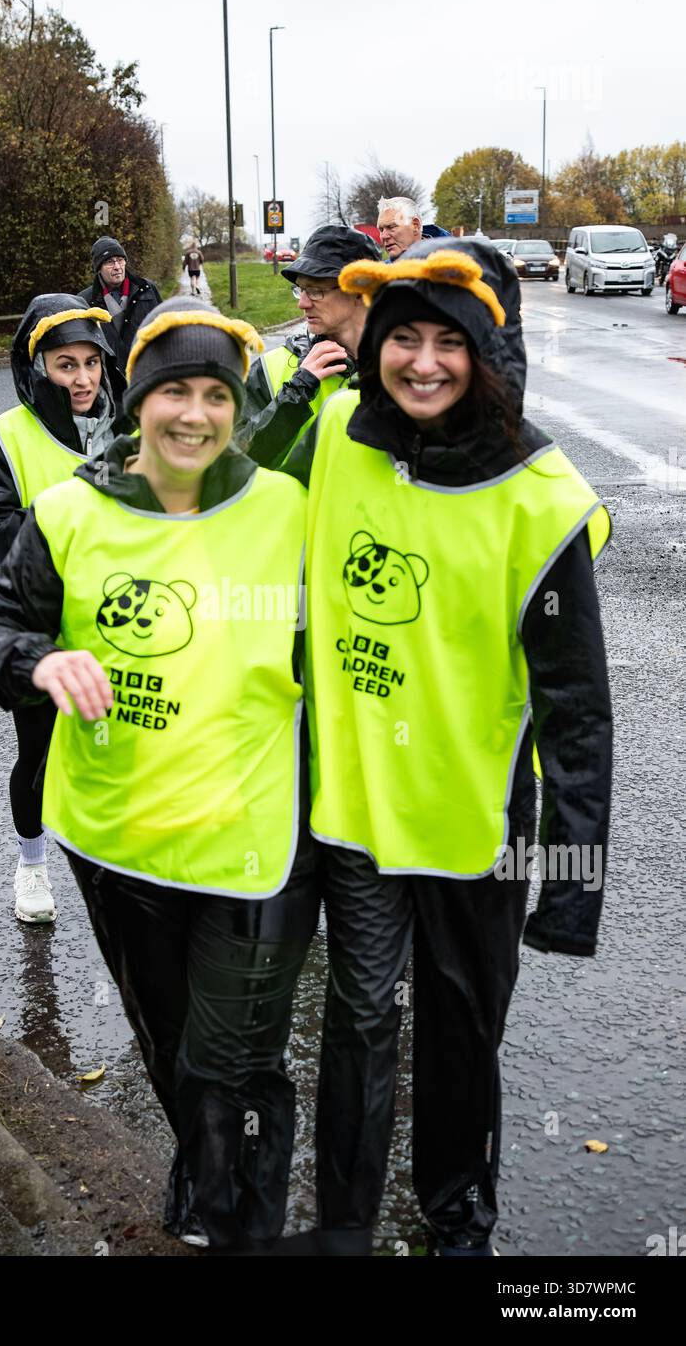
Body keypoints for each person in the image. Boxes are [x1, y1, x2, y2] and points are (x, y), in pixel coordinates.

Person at [0, 296, 320, 1253]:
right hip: (116, 843)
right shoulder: (71, 511)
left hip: (252, 840)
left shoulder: (287, 510)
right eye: (172, 392)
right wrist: (36, 661)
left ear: (238, 409)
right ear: (138, 400)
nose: (193, 414)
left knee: (238, 1060)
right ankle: (205, 1187)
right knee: (170, 1050)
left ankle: (240, 1226)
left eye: (214, 395)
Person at [283, 237, 613, 1255]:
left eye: (447, 342)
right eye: (403, 338)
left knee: (463, 1031)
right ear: (372, 341)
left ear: (486, 352)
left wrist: (569, 882)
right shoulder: (336, 435)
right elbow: (220, 493)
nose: (421, 362)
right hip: (355, 814)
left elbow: (576, 710)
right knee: (359, 1021)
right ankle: (341, 1223)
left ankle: (457, 1218)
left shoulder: (539, 497)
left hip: (476, 830)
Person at [0, 294, 132, 924]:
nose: (84, 378)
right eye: (66, 365)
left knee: (126, 744)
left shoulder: (131, 425)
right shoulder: (3, 436)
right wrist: (67, 527)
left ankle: (121, 866)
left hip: (126, 622)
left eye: (92, 362)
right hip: (42, 634)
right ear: (39, 369)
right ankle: (32, 864)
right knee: (38, 754)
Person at [236, 224, 382, 468]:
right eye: (301, 290)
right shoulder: (273, 369)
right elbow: (232, 461)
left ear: (360, 290)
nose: (302, 304)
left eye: (315, 291)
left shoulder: (405, 369)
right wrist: (294, 395)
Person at [80, 235, 162, 372]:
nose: (117, 266)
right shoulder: (85, 301)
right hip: (111, 376)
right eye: (110, 262)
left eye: (120, 260)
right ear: (99, 268)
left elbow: (163, 327)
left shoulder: (147, 288)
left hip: (148, 369)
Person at [376, 195, 450, 260]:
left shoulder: (453, 266)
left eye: (391, 227)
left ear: (415, 225)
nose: (384, 236)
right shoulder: (379, 273)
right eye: (381, 230)